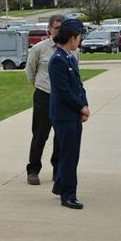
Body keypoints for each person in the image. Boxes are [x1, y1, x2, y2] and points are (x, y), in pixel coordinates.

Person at [25, 14, 75, 185]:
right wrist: (41, 86)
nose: (60, 31)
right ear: (49, 30)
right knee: (40, 135)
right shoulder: (39, 48)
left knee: (60, 136)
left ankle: (57, 170)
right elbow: (30, 72)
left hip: (63, 98)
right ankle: (33, 170)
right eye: (57, 28)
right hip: (44, 96)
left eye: (63, 28)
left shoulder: (72, 50)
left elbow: (75, 75)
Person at [48, 19, 89, 209]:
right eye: (78, 37)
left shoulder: (70, 57)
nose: (79, 41)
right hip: (64, 115)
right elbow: (63, 91)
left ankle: (60, 185)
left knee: (70, 153)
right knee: (69, 155)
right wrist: (81, 107)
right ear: (72, 38)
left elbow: (78, 86)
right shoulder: (57, 60)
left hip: (73, 113)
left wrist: (84, 104)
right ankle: (68, 195)